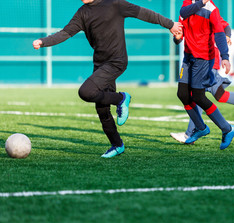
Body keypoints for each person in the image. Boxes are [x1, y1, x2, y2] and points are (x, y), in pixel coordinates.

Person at [33, 0, 182, 158]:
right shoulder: (82, 12)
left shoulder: (115, 4)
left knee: (86, 92)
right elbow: (66, 32)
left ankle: (121, 98)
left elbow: (144, 13)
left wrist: (170, 24)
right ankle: (117, 145)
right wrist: (44, 42)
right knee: (102, 108)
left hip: (116, 62)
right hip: (100, 63)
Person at [170, 16, 234, 144]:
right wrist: (177, 38)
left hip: (207, 60)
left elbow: (225, 26)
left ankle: (190, 133)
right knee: (208, 95)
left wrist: (227, 36)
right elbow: (179, 35)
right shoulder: (185, 12)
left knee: (200, 94)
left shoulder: (208, 10)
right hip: (191, 61)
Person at [175, 0, 234, 150]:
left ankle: (227, 128)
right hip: (188, 57)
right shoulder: (187, 3)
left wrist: (225, 57)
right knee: (182, 94)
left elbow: (220, 34)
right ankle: (201, 128)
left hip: (204, 58)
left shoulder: (212, 9)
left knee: (198, 96)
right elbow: (182, 15)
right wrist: (177, 38)